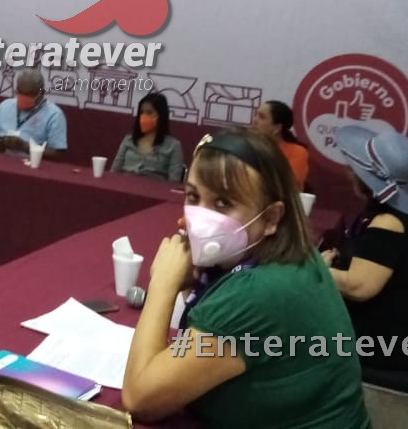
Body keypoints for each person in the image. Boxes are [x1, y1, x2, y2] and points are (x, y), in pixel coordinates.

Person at [122, 127, 371, 428]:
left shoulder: (258, 292)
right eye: (193, 196)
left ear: (271, 218)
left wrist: (163, 283)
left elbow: (139, 400)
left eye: (223, 203)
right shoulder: (295, 251)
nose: (200, 218)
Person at [322, 125, 408, 388]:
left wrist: (317, 268)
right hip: (406, 337)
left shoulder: (390, 223)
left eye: (353, 169)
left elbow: (359, 287)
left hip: (390, 348)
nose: (348, 173)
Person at [0, 69, 67, 160]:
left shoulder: (54, 115)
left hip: (32, 164)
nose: (24, 97)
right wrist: (0, 142)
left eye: (29, 94)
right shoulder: (5, 105)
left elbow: (58, 154)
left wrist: (24, 146)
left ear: (42, 92)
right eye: (20, 92)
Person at [111, 92, 184, 182]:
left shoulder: (173, 146)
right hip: (124, 186)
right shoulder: (128, 140)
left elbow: (174, 182)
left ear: (161, 116)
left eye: (149, 112)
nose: (143, 116)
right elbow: (114, 172)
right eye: (141, 112)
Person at [254, 100, 310, 190]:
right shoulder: (249, 146)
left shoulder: (297, 151)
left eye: (262, 117)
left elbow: (288, 184)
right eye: (255, 115)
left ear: (277, 128)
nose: (255, 120)